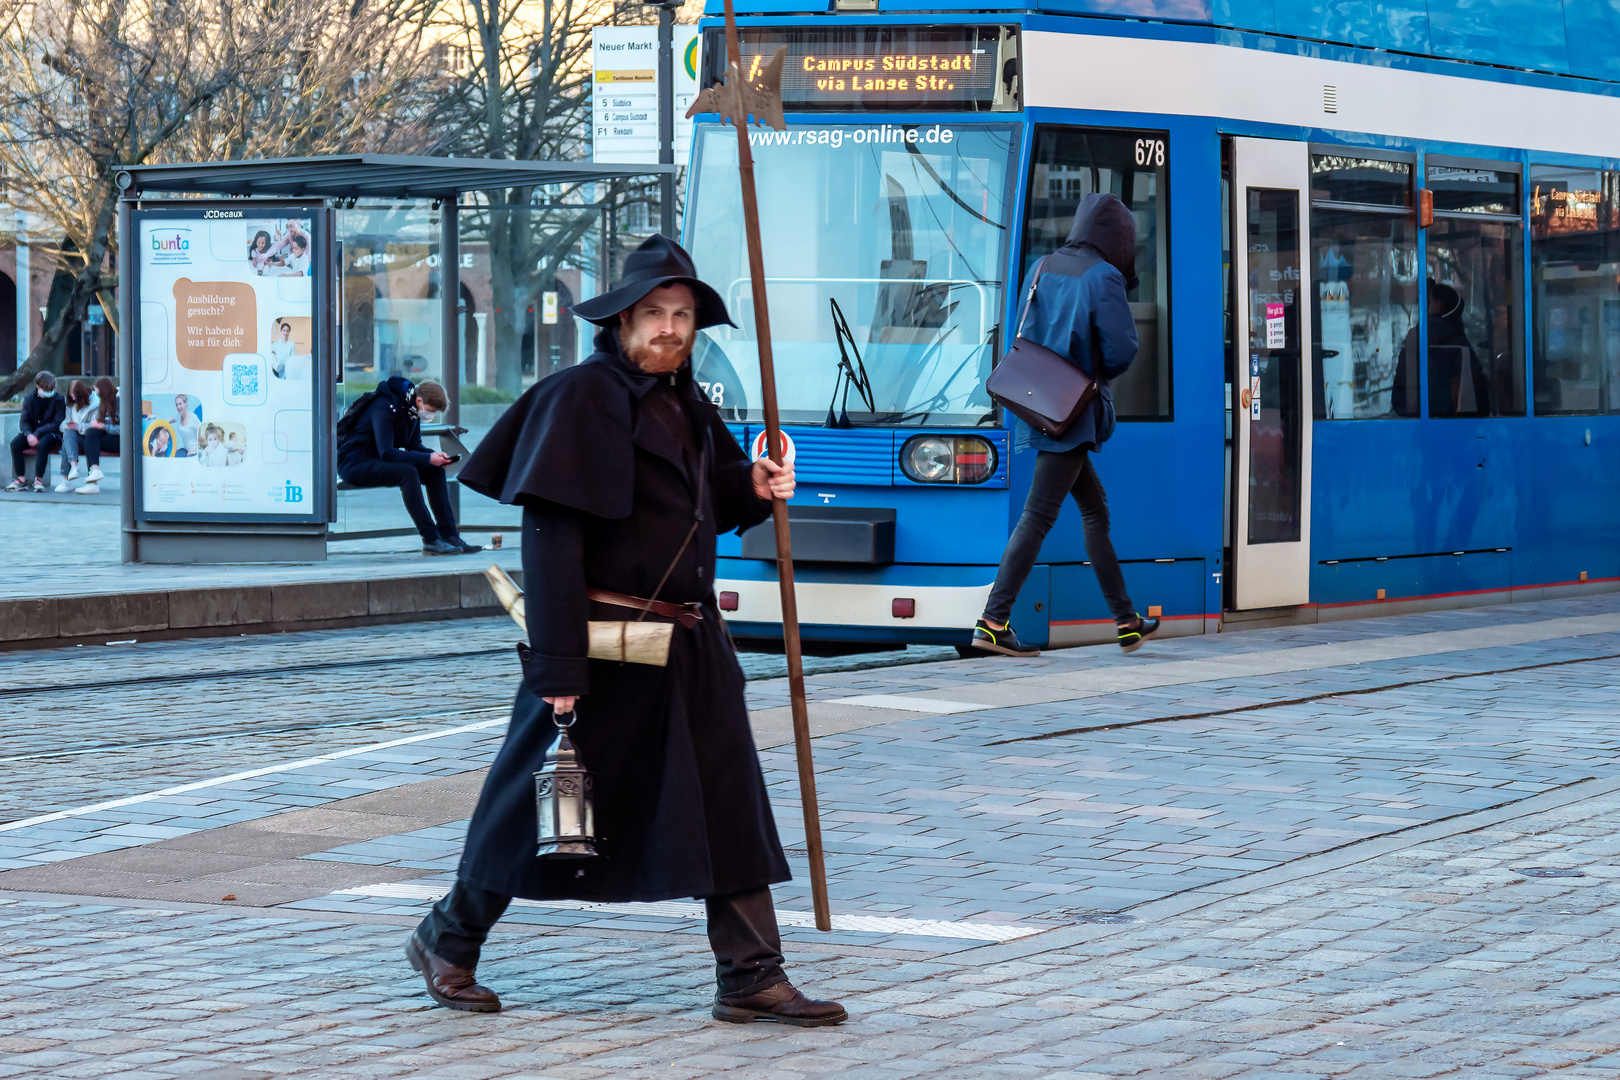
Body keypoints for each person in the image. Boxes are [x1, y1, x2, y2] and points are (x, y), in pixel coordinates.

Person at [414, 234, 845, 1027]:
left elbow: (716, 500)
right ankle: (449, 936)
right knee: (538, 801)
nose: (670, 329)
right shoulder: (577, 398)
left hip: (690, 643)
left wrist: (756, 483)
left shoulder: (690, 402)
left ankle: (751, 973)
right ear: (619, 320)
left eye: (683, 315)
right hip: (601, 644)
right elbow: (552, 542)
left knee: (727, 801)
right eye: (654, 313)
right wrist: (557, 668)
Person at [972, 193, 1160, 657]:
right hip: (1071, 414)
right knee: (1038, 516)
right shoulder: (1105, 277)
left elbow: (1024, 332)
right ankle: (993, 621)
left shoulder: (1041, 267)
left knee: (1095, 512)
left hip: (1036, 403)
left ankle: (1125, 620)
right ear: (1118, 237)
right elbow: (1120, 353)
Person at [336, 377, 479, 556]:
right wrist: (427, 459)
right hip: (354, 463)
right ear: (419, 401)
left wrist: (435, 457)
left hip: (377, 460)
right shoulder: (386, 406)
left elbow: (414, 446)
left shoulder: (412, 410)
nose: (430, 415)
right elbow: (387, 452)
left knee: (434, 471)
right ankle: (431, 539)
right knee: (408, 473)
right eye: (430, 410)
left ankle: (450, 536)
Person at [7, 371, 65, 492]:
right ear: (38, 387)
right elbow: (25, 421)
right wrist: (28, 435)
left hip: (51, 433)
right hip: (32, 433)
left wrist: (37, 433)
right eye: (47, 389)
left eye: (52, 389)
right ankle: (21, 479)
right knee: (16, 444)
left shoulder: (58, 400)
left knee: (43, 443)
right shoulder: (29, 400)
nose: (50, 391)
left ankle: (38, 480)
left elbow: (56, 423)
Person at [75, 377, 120, 494]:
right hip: (106, 437)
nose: (98, 397)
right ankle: (94, 472)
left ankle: (93, 480)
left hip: (121, 441)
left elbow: (124, 429)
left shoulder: (120, 402)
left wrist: (103, 427)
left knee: (90, 439)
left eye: (99, 393)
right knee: (89, 436)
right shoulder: (103, 403)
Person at [55, 380, 98, 491]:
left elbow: (94, 425)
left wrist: (78, 426)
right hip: (75, 437)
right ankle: (73, 468)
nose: (73, 399)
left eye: (75, 397)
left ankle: (67, 480)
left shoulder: (94, 404)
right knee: (68, 435)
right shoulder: (70, 405)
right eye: (71, 396)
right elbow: (64, 423)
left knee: (71, 441)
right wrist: (68, 425)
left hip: (90, 436)